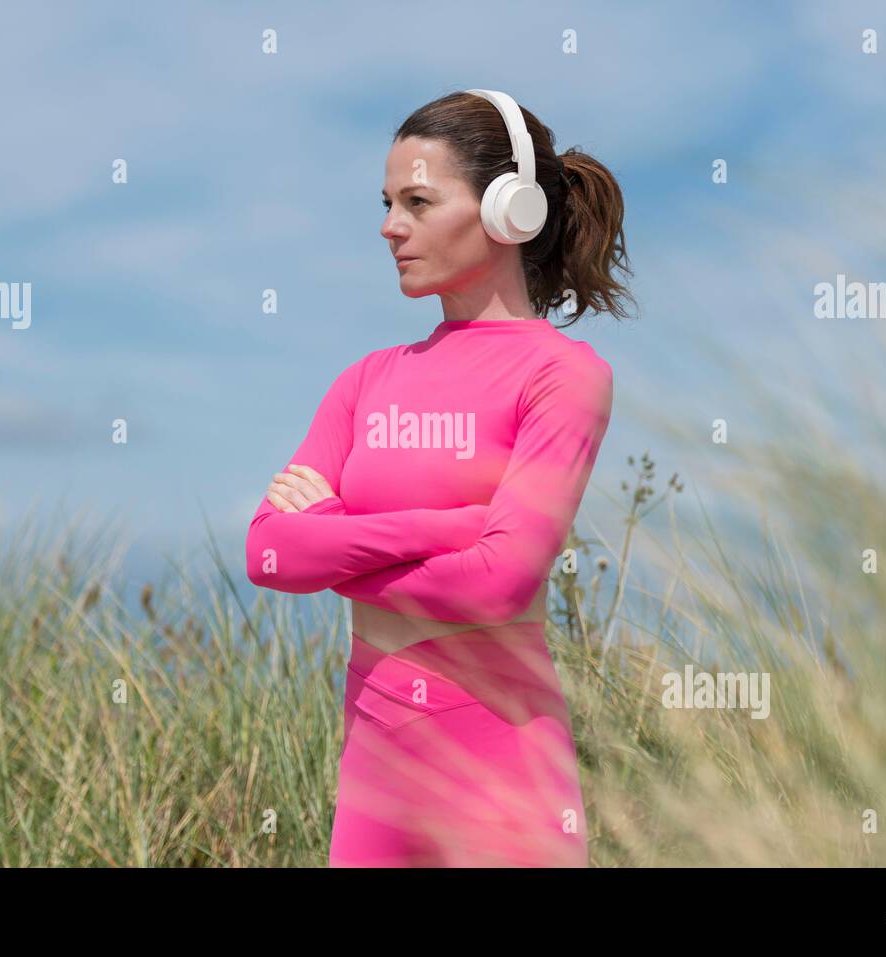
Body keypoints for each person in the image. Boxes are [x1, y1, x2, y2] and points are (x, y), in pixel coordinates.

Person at [245, 89, 635, 867]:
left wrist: (334, 534)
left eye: (418, 202)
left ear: (508, 209)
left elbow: (497, 586)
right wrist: (454, 530)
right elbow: (269, 555)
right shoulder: (367, 379)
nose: (391, 226)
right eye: (388, 203)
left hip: (500, 761)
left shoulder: (562, 375)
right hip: (373, 757)